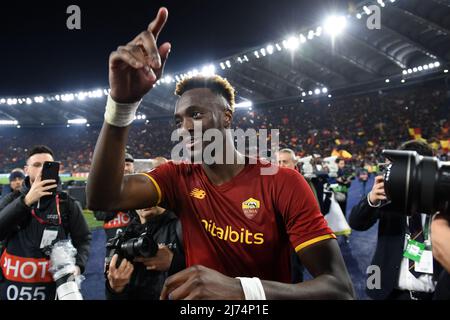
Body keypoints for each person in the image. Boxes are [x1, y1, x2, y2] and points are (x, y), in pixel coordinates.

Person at [87, 7, 354, 300]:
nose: (185, 127)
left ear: (227, 117)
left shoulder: (283, 183)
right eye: (179, 120)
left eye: (197, 114)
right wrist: (122, 105)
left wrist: (243, 290)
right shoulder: (178, 177)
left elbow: (339, 288)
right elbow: (104, 198)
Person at [349, 140, 444, 300]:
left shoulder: (442, 202)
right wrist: (372, 200)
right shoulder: (389, 197)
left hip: (435, 294)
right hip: (387, 291)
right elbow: (356, 223)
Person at [0, 145, 91, 300]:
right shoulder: (12, 200)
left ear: (56, 169)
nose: (42, 170)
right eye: (36, 165)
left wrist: (78, 265)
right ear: (26, 170)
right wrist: (27, 201)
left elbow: (83, 239)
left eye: (47, 165)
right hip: (11, 289)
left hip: (51, 289)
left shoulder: (67, 204)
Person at [106, 206, 185, 300]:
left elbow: (205, 275)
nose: (144, 202)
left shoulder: (184, 226)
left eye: (148, 194)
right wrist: (115, 289)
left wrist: (174, 262)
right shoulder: (126, 236)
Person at [94, 153, 136, 246]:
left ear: (133, 167)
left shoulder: (140, 186)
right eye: (121, 165)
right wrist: (118, 203)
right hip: (111, 241)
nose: (125, 168)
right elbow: (99, 215)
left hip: (135, 241)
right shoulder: (103, 189)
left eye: (128, 164)